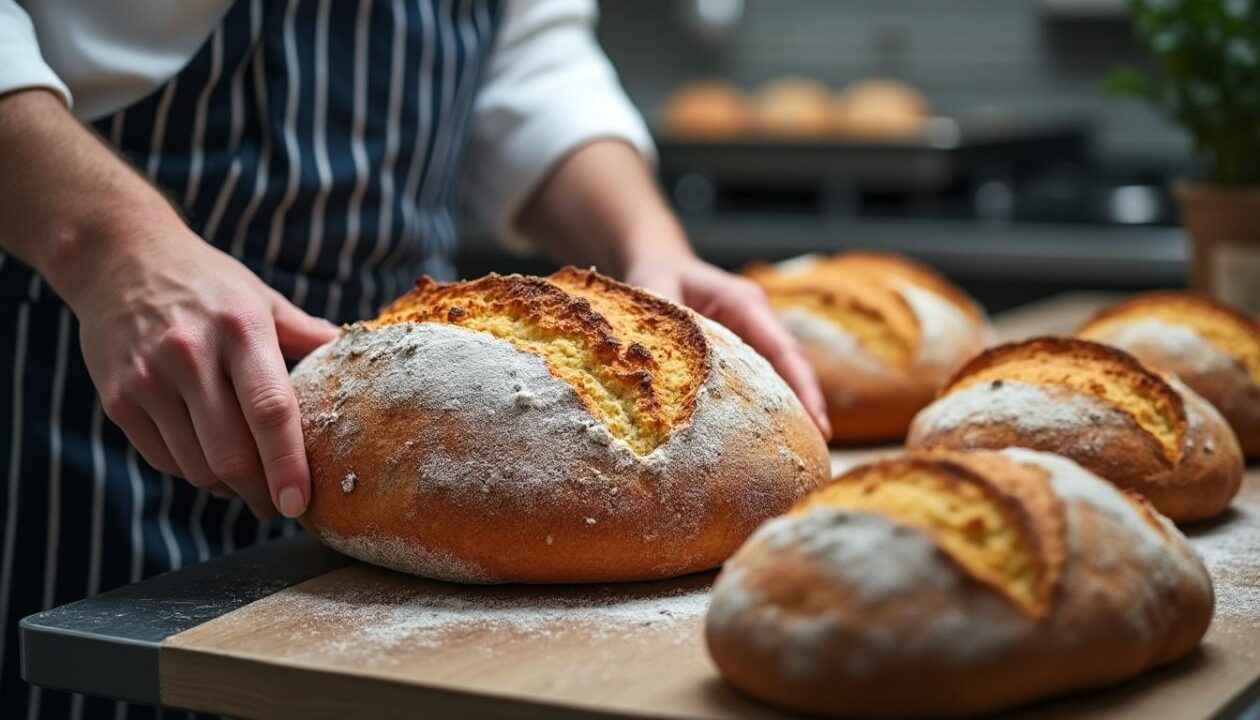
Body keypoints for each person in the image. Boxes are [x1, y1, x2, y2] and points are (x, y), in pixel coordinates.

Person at [0, 0, 829, 716]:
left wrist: (647, 244)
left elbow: (526, 57)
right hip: (72, 352)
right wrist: (105, 244)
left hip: (419, 405)